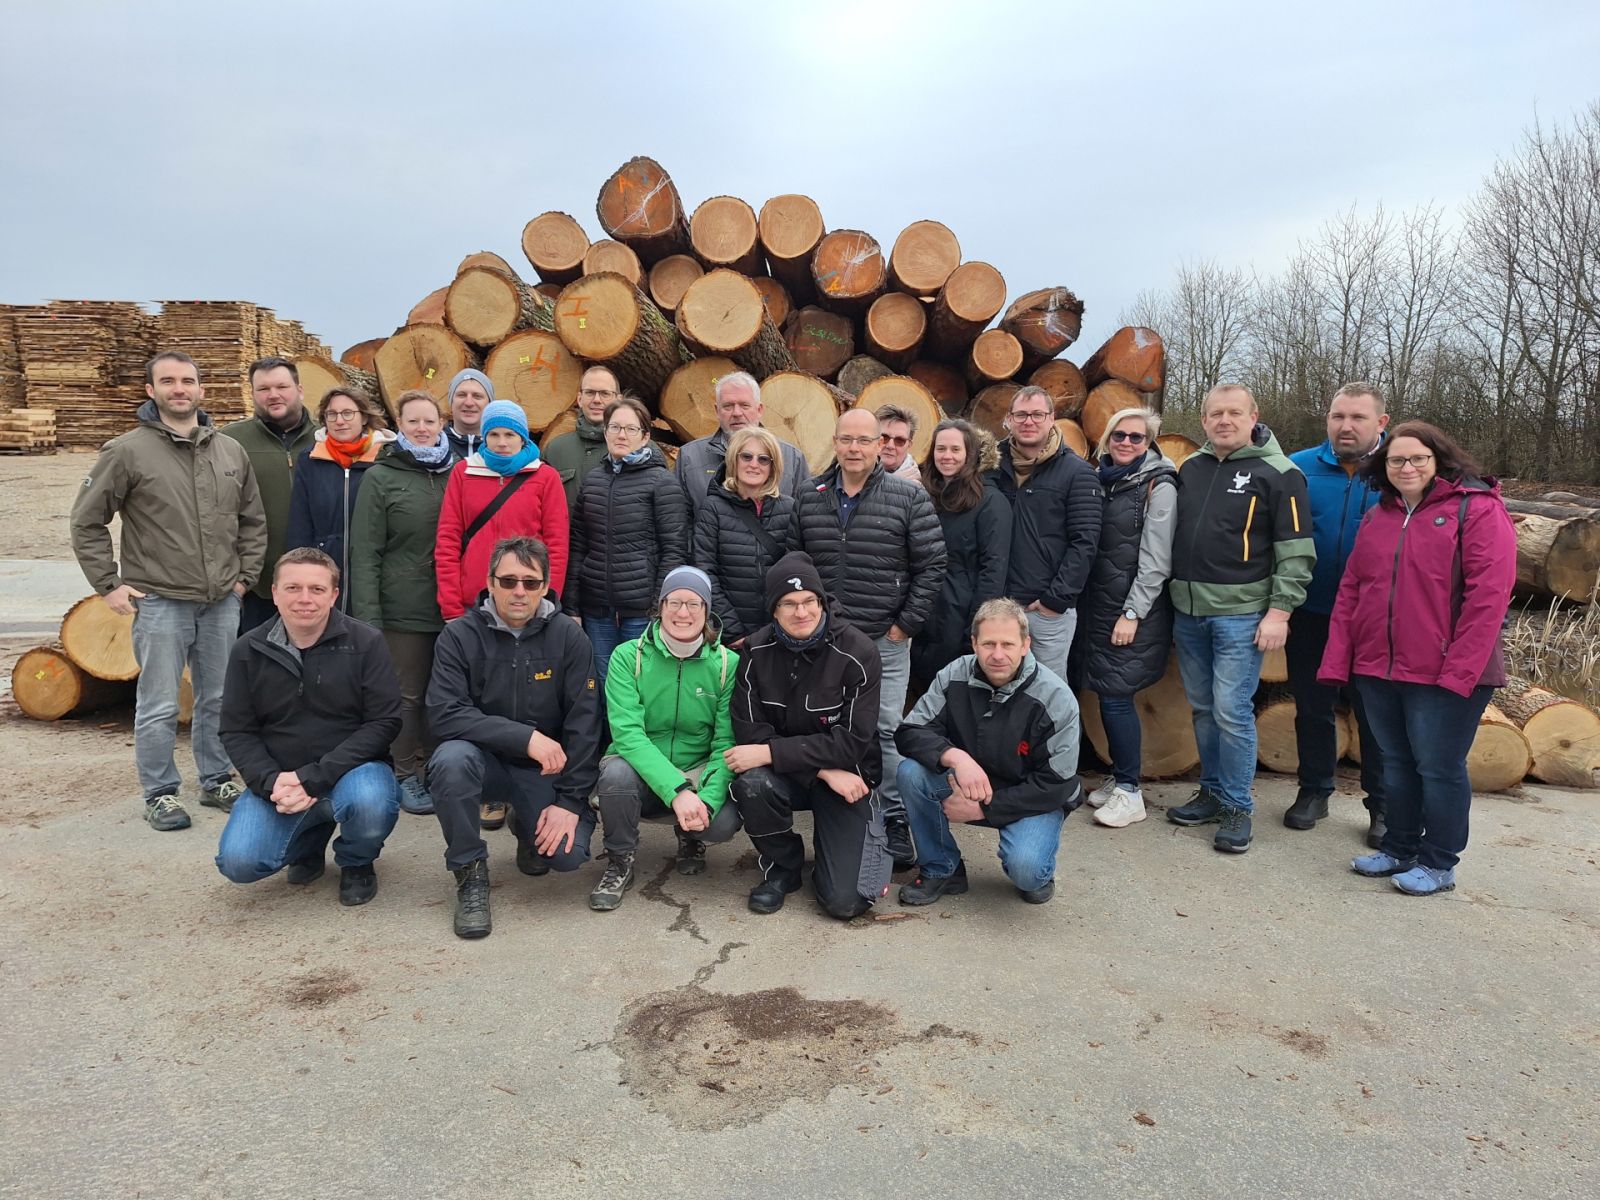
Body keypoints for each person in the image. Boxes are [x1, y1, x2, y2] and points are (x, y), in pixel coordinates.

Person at [71, 350, 266, 831]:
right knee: (159, 704)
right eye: (168, 381)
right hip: (160, 600)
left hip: (221, 601)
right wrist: (109, 584)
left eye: (188, 381)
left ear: (201, 389)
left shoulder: (229, 451)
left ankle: (216, 779)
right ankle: (160, 793)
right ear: (151, 390)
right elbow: (87, 521)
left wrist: (244, 579)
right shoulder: (126, 451)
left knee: (218, 698)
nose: (179, 389)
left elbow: (252, 521)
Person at [1319, 422, 1516, 896]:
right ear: (1383, 466)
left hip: (1444, 671)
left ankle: (1439, 862)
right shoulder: (1380, 515)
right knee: (1395, 762)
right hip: (1379, 666)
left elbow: (1489, 597)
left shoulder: (1477, 509)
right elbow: (1353, 589)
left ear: (1438, 460)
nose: (1407, 467)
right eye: (1396, 460)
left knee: (1439, 768)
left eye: (1417, 458)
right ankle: (1399, 848)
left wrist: (1460, 670)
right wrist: (1340, 659)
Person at [425, 537, 603, 939]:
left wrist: (570, 802)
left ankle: (527, 826)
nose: (518, 591)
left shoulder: (569, 637)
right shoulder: (458, 636)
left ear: (545, 586)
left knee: (566, 856)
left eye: (530, 582)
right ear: (490, 583)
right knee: (450, 760)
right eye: (507, 581)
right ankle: (470, 872)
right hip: (480, 761)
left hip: (542, 769)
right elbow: (444, 712)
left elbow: (585, 724)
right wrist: (525, 738)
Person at [1166, 384, 1314, 853]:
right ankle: (1211, 792)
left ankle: (1236, 806)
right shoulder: (1191, 469)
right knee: (1203, 708)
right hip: (1189, 612)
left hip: (1242, 616)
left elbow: (1296, 552)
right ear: (1204, 420)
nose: (1224, 420)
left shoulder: (1281, 474)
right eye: (1215, 414)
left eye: (1234, 412)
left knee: (1231, 711)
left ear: (1254, 417)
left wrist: (1280, 611)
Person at [214, 549, 402, 906]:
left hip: (351, 772)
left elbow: (384, 722)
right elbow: (236, 731)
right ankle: (308, 843)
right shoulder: (247, 650)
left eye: (316, 589)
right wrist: (270, 781)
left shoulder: (366, 643)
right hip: (280, 778)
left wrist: (313, 778)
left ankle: (357, 861)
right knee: (239, 863)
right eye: (293, 588)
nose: (304, 598)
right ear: (275, 593)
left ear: (334, 594)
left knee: (371, 801)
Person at [791, 408, 945, 821]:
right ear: (835, 443)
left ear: (879, 445)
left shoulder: (908, 497)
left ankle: (892, 816)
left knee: (885, 727)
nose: (854, 448)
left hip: (883, 639)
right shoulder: (809, 495)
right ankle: (834, 814)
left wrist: (905, 625)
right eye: (846, 439)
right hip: (823, 640)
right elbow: (794, 561)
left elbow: (932, 565)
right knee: (821, 724)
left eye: (864, 440)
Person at [726, 552, 889, 919]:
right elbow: (750, 732)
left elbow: (852, 743)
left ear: (822, 602)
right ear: (774, 610)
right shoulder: (754, 651)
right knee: (752, 784)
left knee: (846, 902)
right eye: (789, 603)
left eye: (809, 601)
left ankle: (839, 859)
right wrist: (821, 770)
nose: (801, 612)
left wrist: (774, 754)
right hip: (807, 774)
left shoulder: (859, 652)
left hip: (848, 778)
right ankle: (783, 868)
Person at [435, 397, 569, 830]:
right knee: (482, 695)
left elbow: (556, 542)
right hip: (474, 603)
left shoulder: (543, 477)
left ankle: (528, 783)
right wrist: (451, 604)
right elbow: (448, 538)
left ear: (523, 437)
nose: (501, 442)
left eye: (510, 434)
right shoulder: (464, 472)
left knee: (525, 693)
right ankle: (490, 789)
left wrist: (547, 600)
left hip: (527, 601)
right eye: (493, 434)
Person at [895, 598, 1082, 906]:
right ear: (974, 643)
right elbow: (910, 731)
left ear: (1026, 645)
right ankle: (942, 868)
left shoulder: (1057, 698)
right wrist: (956, 757)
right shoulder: (954, 675)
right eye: (988, 644)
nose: (997, 654)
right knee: (911, 773)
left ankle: (1040, 871)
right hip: (970, 782)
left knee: (1027, 870)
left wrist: (985, 809)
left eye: (1008, 644)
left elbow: (1057, 784)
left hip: (1031, 796)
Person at [590, 567, 742, 911]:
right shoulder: (628, 656)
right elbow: (628, 735)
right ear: (660, 607)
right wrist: (678, 791)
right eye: (674, 602)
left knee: (721, 824)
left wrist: (706, 801)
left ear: (707, 611)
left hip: (698, 768)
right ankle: (619, 860)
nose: (683, 612)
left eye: (694, 604)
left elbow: (725, 743)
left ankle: (690, 835)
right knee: (616, 775)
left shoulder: (726, 664)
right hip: (641, 769)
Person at [1286, 382, 1390, 845]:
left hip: (1376, 619)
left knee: (1377, 715)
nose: (1346, 426)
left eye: (1358, 418)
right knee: (1312, 707)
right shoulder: (1299, 467)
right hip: (1311, 610)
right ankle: (1314, 790)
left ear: (1381, 423)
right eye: (1338, 416)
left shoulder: (1400, 469)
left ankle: (1383, 805)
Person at [350, 390, 454, 816]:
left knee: (443, 693)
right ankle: (404, 771)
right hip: (401, 608)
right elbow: (365, 553)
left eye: (429, 421)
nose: (422, 429)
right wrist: (368, 619)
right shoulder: (381, 477)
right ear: (400, 425)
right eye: (413, 421)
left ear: (442, 424)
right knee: (407, 695)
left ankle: (438, 769)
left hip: (451, 605)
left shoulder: (457, 472)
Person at [1078, 408, 1178, 829]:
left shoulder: (1158, 485)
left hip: (1131, 610)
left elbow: (1156, 559)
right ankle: (1119, 776)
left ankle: (1130, 791)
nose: (1126, 443)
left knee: (1117, 697)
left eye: (1137, 437)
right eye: (1119, 435)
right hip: (1099, 606)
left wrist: (1133, 612)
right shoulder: (1103, 479)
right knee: (1105, 693)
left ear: (1149, 443)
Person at [566, 393, 689, 681]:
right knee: (603, 682)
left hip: (640, 612)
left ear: (645, 436)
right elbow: (579, 545)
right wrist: (572, 604)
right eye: (615, 427)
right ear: (605, 432)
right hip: (597, 609)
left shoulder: (662, 483)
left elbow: (674, 550)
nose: (621, 435)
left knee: (639, 682)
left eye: (631, 429)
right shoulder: (593, 481)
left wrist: (659, 606)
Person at [987, 384, 1103, 685]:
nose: (1029, 421)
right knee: (997, 688)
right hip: (997, 606)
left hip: (1045, 611)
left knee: (1047, 690)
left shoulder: (1077, 473)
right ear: (1009, 419)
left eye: (1037, 414)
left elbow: (1085, 542)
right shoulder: (990, 468)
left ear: (1052, 418)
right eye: (1021, 415)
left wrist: (1055, 599)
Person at [911, 419, 1011, 688]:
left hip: (959, 618)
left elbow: (994, 569)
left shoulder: (990, 502)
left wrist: (977, 627)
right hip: (922, 612)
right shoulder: (926, 496)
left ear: (970, 454)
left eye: (955, 449)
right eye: (941, 449)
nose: (947, 456)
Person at [222, 356, 318, 632]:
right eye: (263, 389)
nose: (273, 395)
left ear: (299, 390)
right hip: (255, 585)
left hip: (317, 581)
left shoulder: (326, 438)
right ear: (252, 394)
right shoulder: (229, 441)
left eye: (281, 387)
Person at [285, 386, 394, 613]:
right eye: (332, 414)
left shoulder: (385, 458)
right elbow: (300, 522)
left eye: (348, 413)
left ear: (364, 417)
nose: (340, 421)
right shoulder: (311, 459)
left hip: (374, 571)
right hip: (323, 569)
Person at [692, 425, 798, 647]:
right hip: (731, 635)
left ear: (773, 466)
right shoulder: (713, 508)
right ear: (734, 459)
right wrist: (731, 629)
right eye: (746, 456)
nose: (754, 464)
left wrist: (782, 625)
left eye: (763, 459)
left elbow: (796, 571)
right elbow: (705, 570)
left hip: (780, 632)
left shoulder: (789, 508)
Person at [675, 372, 811, 518]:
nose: (737, 413)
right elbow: (678, 519)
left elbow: (805, 517)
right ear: (717, 411)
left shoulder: (792, 458)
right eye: (728, 406)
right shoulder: (689, 457)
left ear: (759, 410)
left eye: (744, 405)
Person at [542, 365, 622, 513]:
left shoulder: (638, 449)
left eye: (605, 393)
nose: (597, 400)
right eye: (590, 392)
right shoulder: (555, 450)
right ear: (579, 399)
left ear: (618, 400)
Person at [442, 368, 492, 461]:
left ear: (489, 403)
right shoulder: (435, 443)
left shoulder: (503, 446)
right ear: (451, 402)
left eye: (477, 396)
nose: (469, 403)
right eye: (462, 395)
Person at [876, 403, 924, 487]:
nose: (890, 446)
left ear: (909, 445)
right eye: (884, 438)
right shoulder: (853, 477)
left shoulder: (916, 490)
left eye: (899, 440)